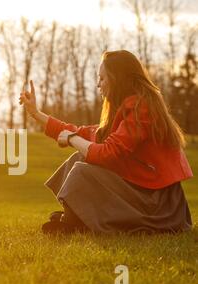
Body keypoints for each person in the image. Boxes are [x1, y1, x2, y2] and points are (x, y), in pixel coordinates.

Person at [19, 50, 193, 234]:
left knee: (82, 169)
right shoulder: (124, 110)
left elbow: (108, 153)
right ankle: (76, 217)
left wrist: (72, 139)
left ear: (117, 78)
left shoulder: (141, 108)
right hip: (146, 194)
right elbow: (85, 133)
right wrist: (37, 114)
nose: (97, 84)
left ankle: (72, 222)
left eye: (102, 78)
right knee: (79, 157)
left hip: (159, 205)